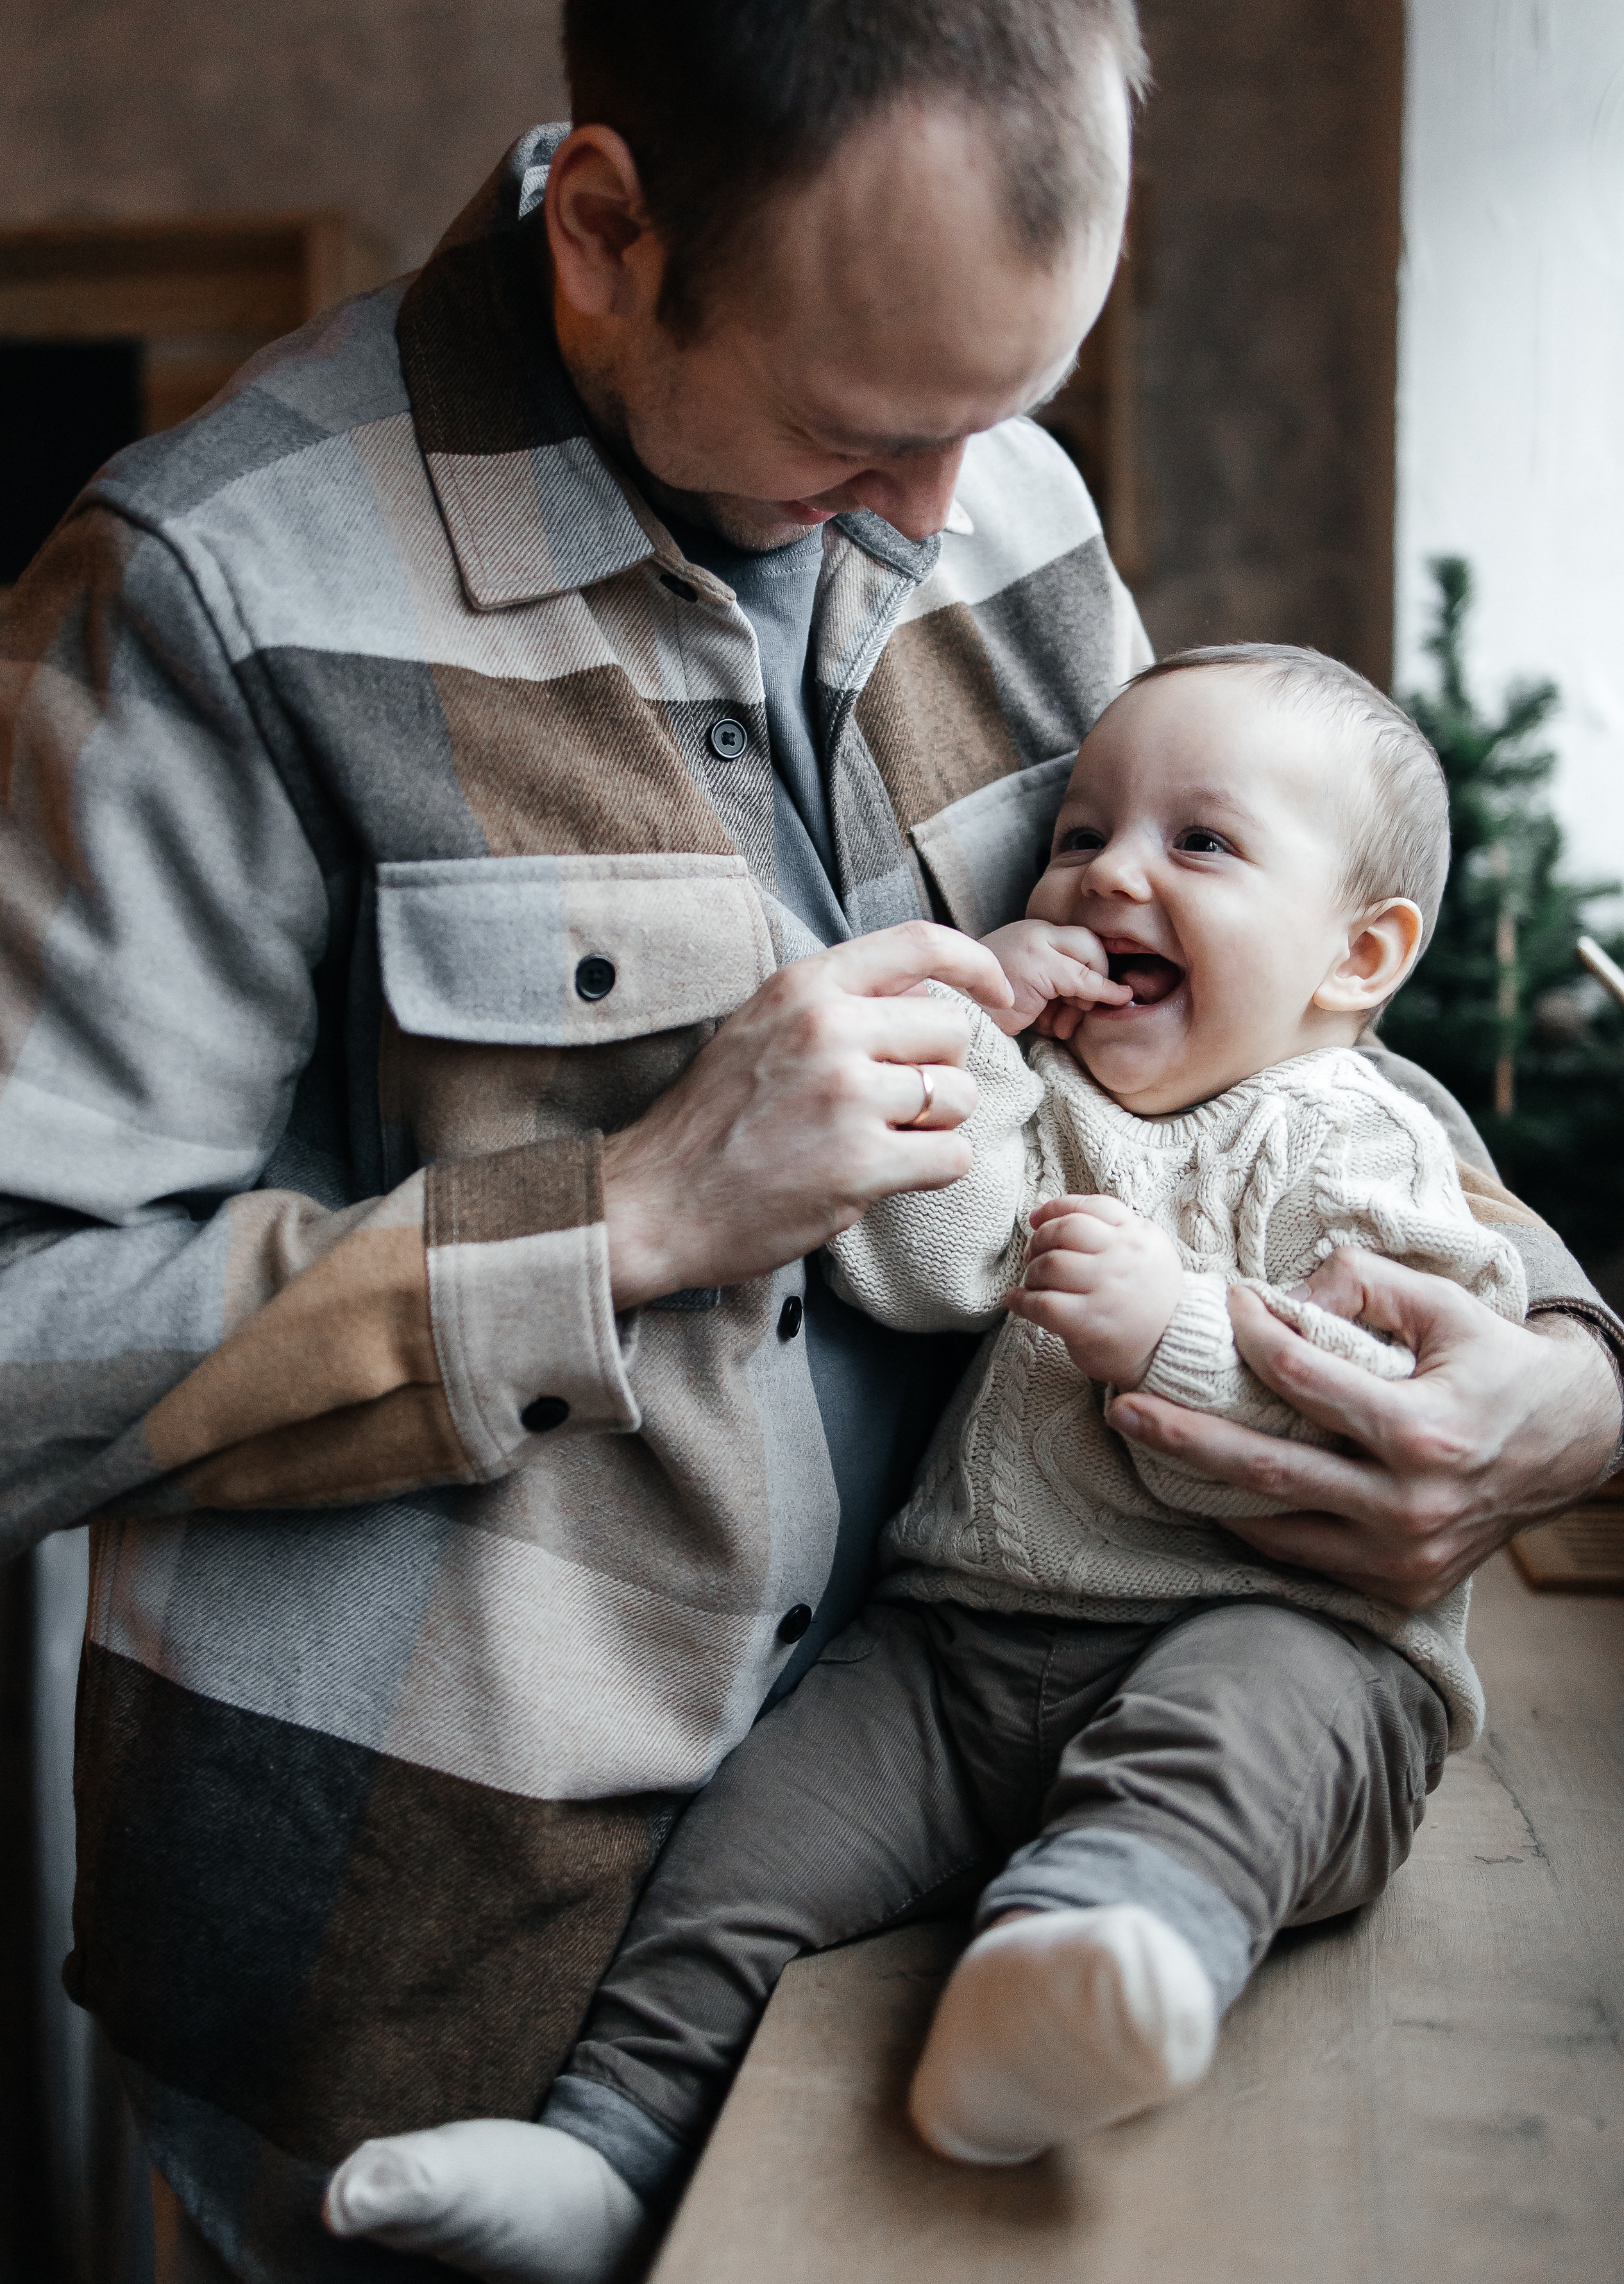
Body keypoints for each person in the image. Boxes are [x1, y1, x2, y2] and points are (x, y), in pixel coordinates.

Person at [0, 0, 1614, 2281]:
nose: (950, 511)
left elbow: (1271, 1065)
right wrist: (631, 1208)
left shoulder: (1000, 500)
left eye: (1010, 408)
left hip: (946, 1898)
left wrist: (1568, 1394)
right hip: (430, 2004)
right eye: (868, 432)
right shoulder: (211, 595)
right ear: (612, 232)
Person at [314, 645, 1528, 2283]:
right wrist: (968, 1029)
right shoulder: (1052, 1089)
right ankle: (605, 2142)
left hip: (1276, 1626)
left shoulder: (1352, 1134)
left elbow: (1399, 1411)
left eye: (1201, 845)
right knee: (747, 1850)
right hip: (965, 1646)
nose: (1108, 870)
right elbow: (926, 1267)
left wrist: (1176, 1328)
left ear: (1356, 952)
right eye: (1082, 831)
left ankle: (1089, 1966)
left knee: (1229, 1740)